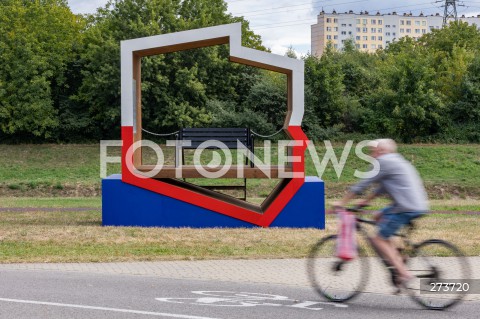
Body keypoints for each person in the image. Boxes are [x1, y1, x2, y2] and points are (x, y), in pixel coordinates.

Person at [334, 138, 429, 285]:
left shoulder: (383, 162)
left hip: (405, 207)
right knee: (378, 216)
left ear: (381, 151)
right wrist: (364, 202)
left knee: (379, 239)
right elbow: (381, 188)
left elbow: (362, 184)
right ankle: (397, 254)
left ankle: (403, 273)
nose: (371, 154)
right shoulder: (397, 160)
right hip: (417, 204)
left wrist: (342, 202)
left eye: (373, 151)